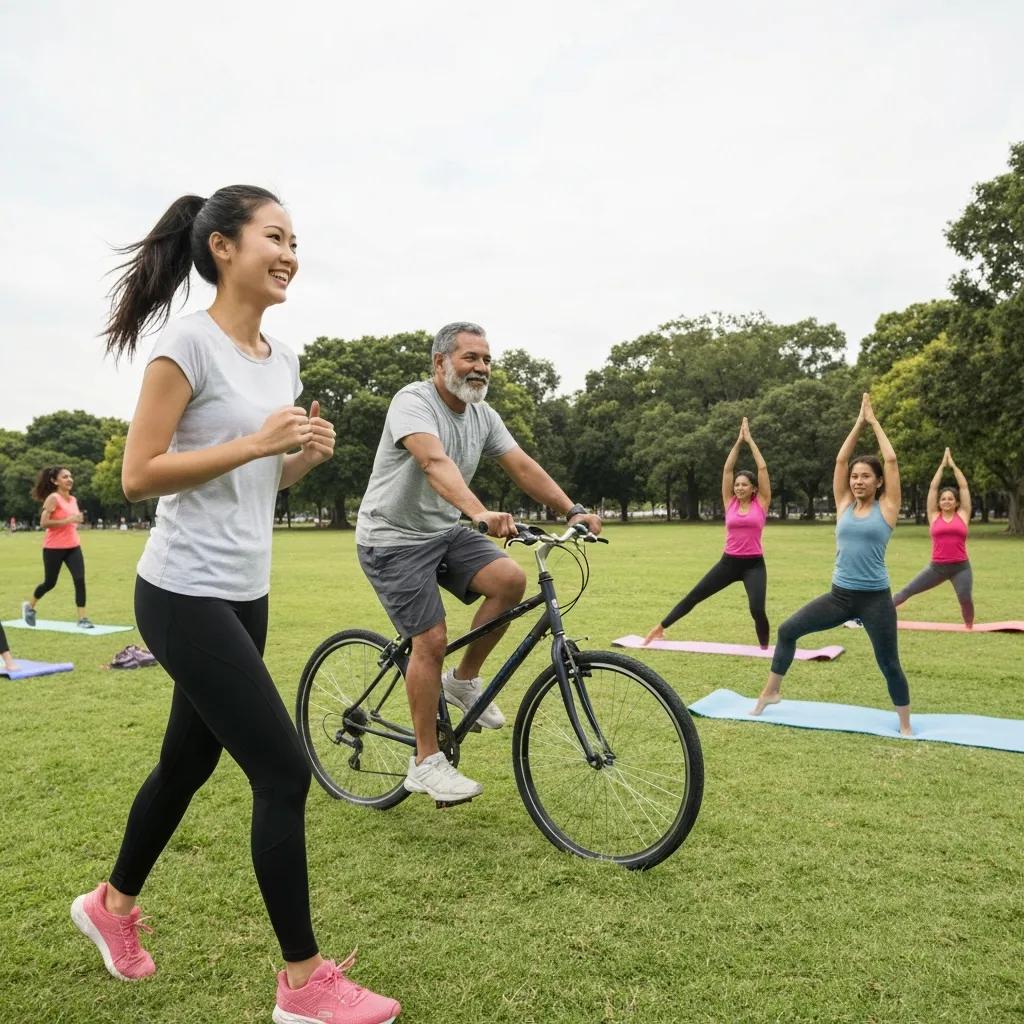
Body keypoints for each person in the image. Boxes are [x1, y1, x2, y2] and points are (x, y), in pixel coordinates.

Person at [69, 185, 400, 1024]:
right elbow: (137, 474)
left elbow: (257, 477)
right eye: (275, 236)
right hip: (181, 592)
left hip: (245, 593)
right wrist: (257, 440)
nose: (290, 253)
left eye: (296, 240)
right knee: (283, 771)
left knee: (188, 762)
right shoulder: (186, 345)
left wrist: (298, 460)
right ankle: (302, 985)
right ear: (223, 246)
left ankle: (110, 905)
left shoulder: (281, 358)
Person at [356, 321, 603, 805]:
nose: (481, 367)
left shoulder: (482, 415)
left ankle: (462, 681)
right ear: (440, 363)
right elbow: (433, 463)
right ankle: (426, 762)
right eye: (470, 357)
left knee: (510, 580)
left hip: (442, 532)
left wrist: (571, 509)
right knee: (429, 638)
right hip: (392, 539)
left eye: (486, 359)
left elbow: (523, 465)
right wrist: (479, 512)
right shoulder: (414, 402)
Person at [751, 394, 912, 736]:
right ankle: (772, 691)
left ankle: (905, 723)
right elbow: (840, 461)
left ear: (878, 482)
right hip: (839, 596)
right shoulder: (843, 504)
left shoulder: (888, 508)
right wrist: (858, 422)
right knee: (788, 630)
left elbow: (892, 460)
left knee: (888, 663)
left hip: (875, 600)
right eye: (855, 476)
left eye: (866, 476)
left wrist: (874, 422)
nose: (857, 481)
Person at [644, 416, 771, 648]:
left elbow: (762, 467)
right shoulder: (729, 502)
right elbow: (727, 470)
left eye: (744, 484)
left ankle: (764, 649)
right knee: (695, 596)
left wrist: (750, 441)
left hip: (754, 564)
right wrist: (737, 441)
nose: (739, 487)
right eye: (738, 484)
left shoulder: (761, 503)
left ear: (754, 488)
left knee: (757, 609)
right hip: (728, 562)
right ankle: (660, 628)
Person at [893, 448, 974, 627]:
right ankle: (878, 615)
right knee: (907, 591)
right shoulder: (933, 515)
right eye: (943, 499)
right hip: (936, 568)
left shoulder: (963, 514)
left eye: (950, 499)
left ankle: (969, 627)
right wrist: (941, 466)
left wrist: (952, 466)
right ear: (939, 502)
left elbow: (964, 487)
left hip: (961, 567)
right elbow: (933, 487)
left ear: (957, 502)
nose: (946, 501)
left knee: (965, 598)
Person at [22, 466, 92, 628]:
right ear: (55, 481)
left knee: (79, 579)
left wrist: (77, 520)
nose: (70, 479)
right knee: (50, 583)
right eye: (65, 477)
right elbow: (44, 523)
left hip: (73, 546)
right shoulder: (53, 498)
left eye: (70, 476)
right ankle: (30, 607)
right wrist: (68, 520)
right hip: (53, 548)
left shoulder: (73, 500)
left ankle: (82, 619)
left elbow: (73, 520)